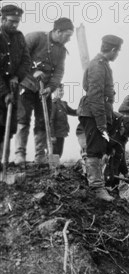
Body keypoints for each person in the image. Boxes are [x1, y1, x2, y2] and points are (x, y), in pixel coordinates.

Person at [15, 17, 73, 166]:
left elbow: (59, 72)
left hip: (44, 90)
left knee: (42, 122)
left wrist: (50, 88)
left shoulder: (61, 50)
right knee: (23, 119)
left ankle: (40, 156)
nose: (69, 39)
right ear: (58, 31)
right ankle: (19, 154)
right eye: (67, 35)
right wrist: (32, 71)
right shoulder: (35, 38)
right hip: (26, 84)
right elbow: (19, 57)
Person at [78, 35, 123, 202]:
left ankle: (96, 183)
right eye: (117, 51)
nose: (117, 54)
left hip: (97, 111)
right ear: (112, 50)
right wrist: (102, 123)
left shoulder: (103, 65)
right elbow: (95, 96)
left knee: (99, 148)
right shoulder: (97, 66)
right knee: (94, 149)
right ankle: (97, 188)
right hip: (93, 112)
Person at [0, 4, 30, 162]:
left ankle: (3, 162)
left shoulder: (19, 37)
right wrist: (4, 93)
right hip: (2, 88)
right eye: (12, 21)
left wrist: (16, 77)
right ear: (3, 19)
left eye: (17, 21)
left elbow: (26, 61)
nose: (15, 24)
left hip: (13, 87)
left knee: (9, 127)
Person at [103, 113, 129, 196]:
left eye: (128, 135)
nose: (126, 136)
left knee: (116, 156)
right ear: (122, 126)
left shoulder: (122, 137)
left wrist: (125, 173)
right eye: (126, 133)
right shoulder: (109, 121)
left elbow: (120, 155)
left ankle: (114, 192)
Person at [49, 84, 77, 158]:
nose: (62, 92)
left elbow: (72, 112)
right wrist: (52, 136)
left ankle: (55, 167)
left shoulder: (63, 104)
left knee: (59, 153)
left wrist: (83, 110)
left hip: (61, 133)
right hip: (55, 134)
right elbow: (51, 121)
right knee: (54, 153)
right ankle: (51, 168)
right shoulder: (53, 104)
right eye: (60, 90)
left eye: (62, 90)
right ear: (54, 92)